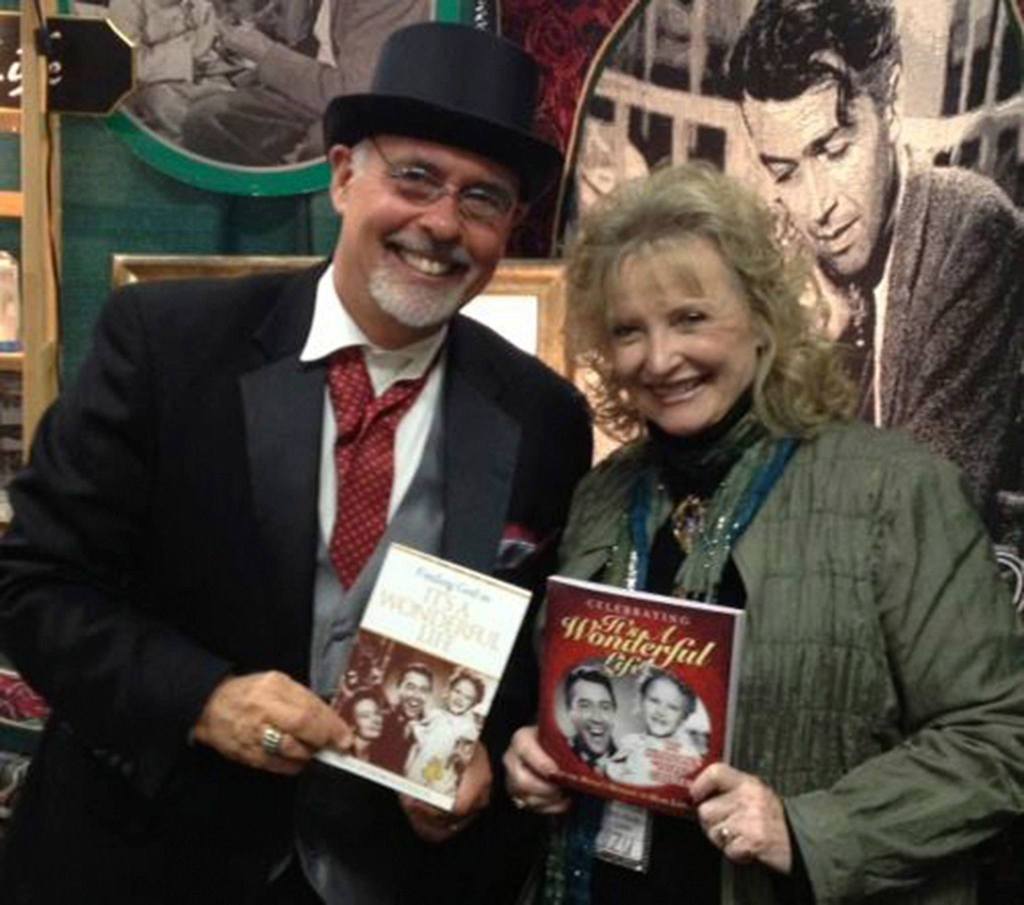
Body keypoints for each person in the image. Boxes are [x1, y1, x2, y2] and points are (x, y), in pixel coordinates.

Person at [0, 22, 592, 905]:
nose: (441, 223)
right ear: (344, 175)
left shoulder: (545, 417)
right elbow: (35, 587)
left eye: (483, 198)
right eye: (415, 177)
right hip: (146, 862)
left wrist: (483, 758)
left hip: (388, 876)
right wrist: (204, 700)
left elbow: (525, 656)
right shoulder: (167, 346)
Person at [502, 162, 1024, 905]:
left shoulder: (895, 489)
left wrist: (808, 831)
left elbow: (1000, 734)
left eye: (690, 318)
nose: (660, 358)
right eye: (628, 331)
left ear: (761, 315)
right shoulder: (601, 495)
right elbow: (584, 697)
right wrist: (540, 750)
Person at [730, 0, 1024, 538]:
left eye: (835, 151)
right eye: (786, 173)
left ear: (889, 101)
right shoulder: (783, 263)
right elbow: (735, 501)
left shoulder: (969, 227)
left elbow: (924, 517)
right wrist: (816, 347)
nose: (818, 206)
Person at [181, 0, 431, 166]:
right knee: (208, 118)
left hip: (364, 107)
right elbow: (311, 41)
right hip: (320, 86)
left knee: (322, 147)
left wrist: (264, 53)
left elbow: (355, 96)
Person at [605, 670, 703, 788]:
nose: (661, 712)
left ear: (684, 716)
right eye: (654, 701)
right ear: (641, 701)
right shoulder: (630, 742)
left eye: (672, 707)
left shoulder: (688, 755)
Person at [405, 668, 485, 795]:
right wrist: (413, 726)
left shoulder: (468, 728)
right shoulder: (435, 714)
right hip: (419, 767)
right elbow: (421, 737)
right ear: (449, 691)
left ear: (473, 704)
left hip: (441, 778)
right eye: (457, 691)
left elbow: (465, 760)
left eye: (468, 697)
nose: (460, 699)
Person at [375, 662, 433, 774]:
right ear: (399, 688)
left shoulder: (431, 733)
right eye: (410, 687)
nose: (416, 696)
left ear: (429, 695)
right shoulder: (379, 721)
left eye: (423, 690)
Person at [563, 666, 618, 772]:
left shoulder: (631, 763)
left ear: (614, 712)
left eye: (605, 707)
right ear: (570, 712)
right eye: (585, 706)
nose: (597, 718)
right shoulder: (557, 756)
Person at [339, 688, 386, 763]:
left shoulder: (379, 755)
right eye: (365, 716)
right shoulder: (341, 752)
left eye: (377, 713)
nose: (375, 720)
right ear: (352, 723)